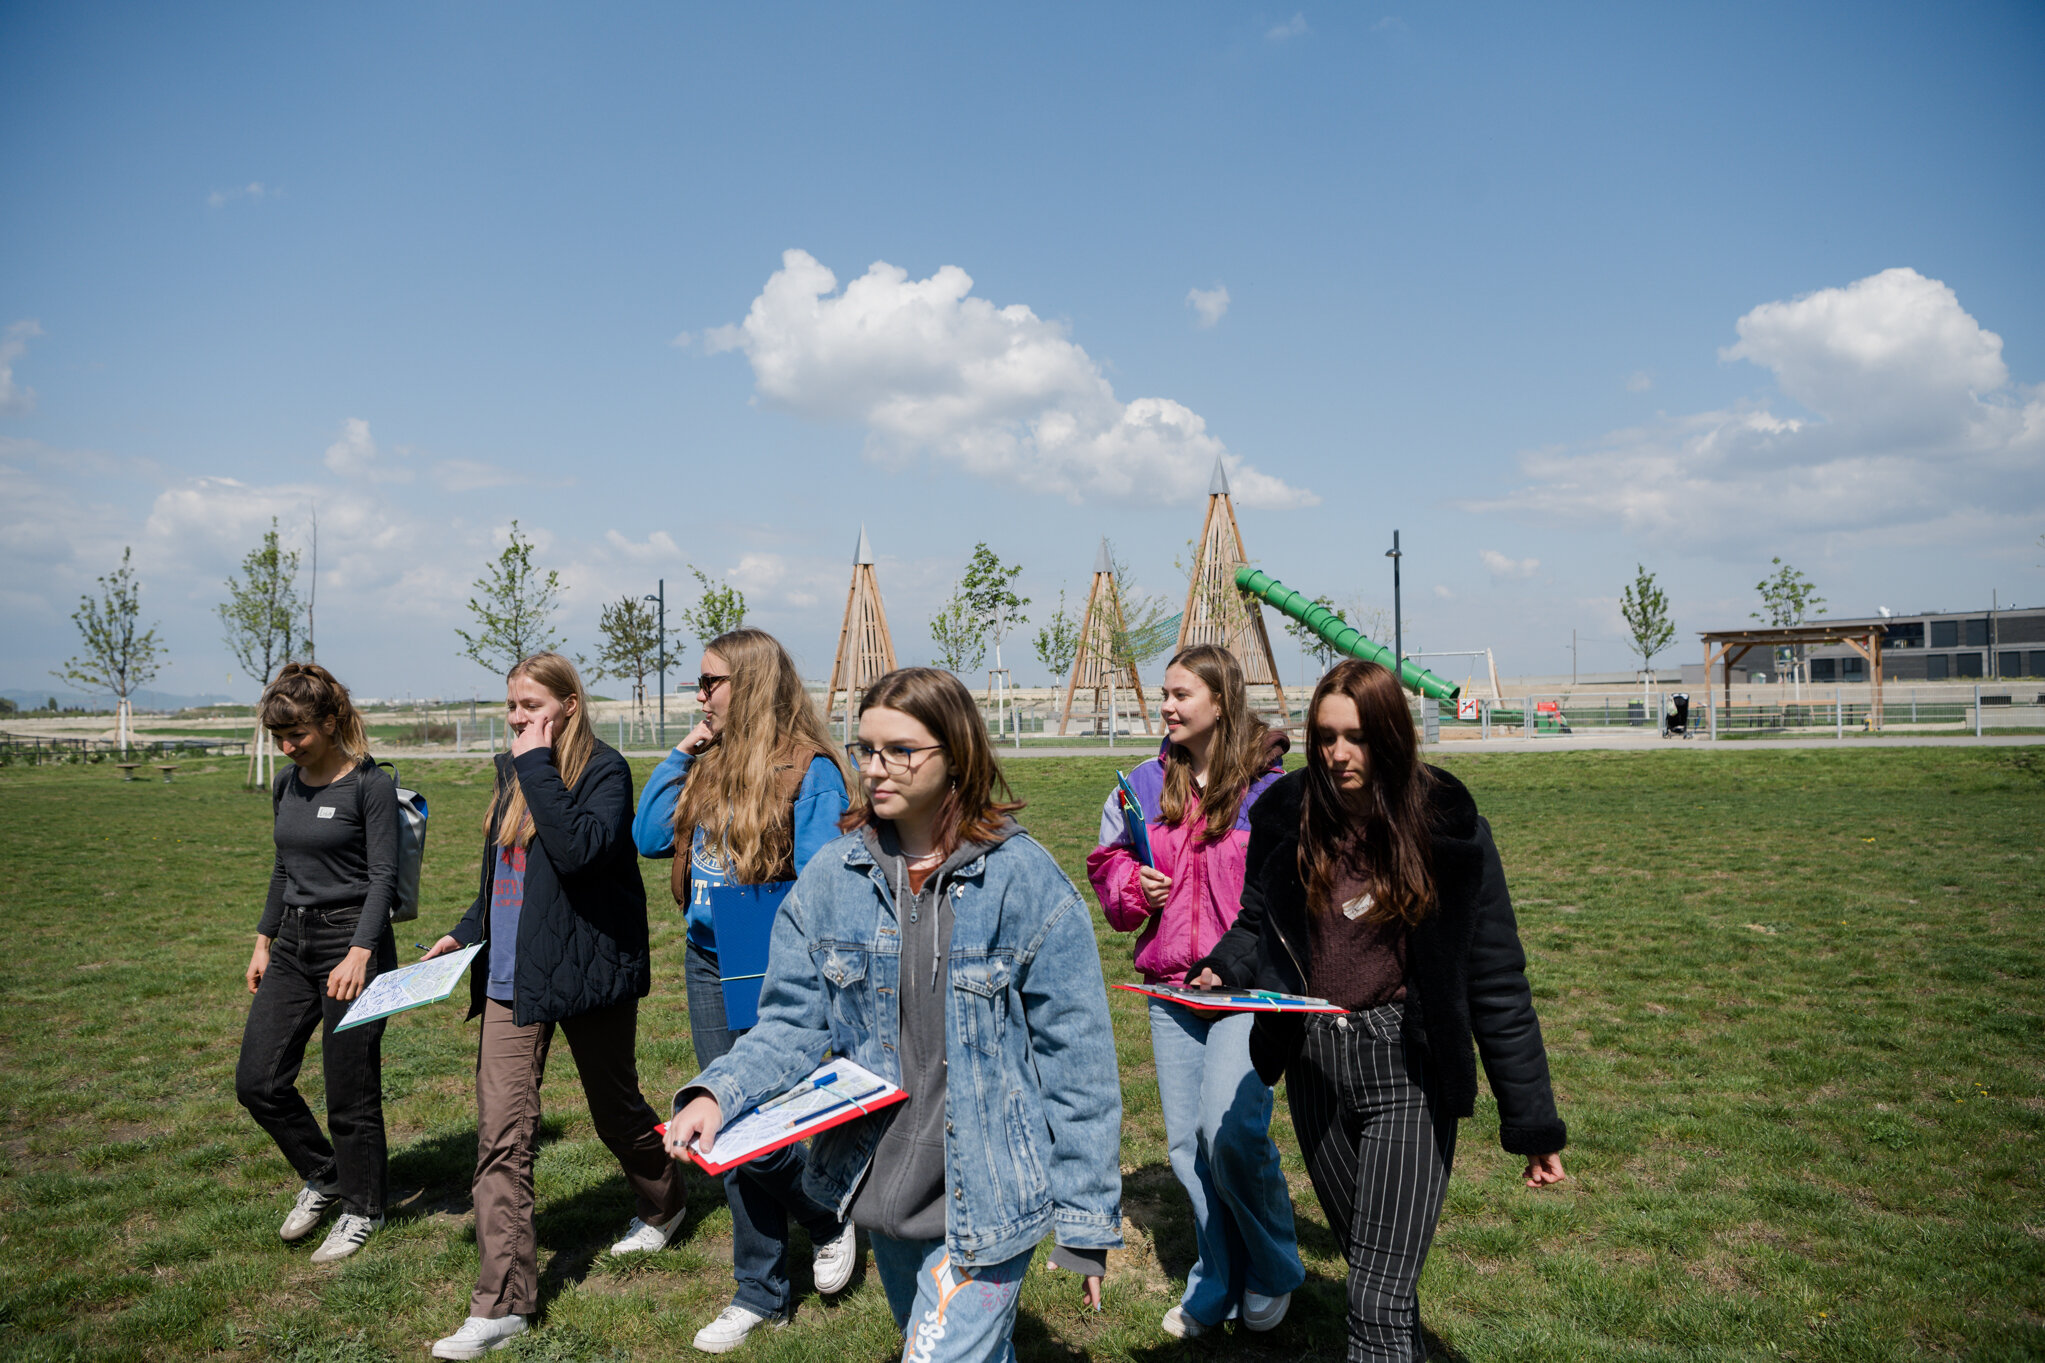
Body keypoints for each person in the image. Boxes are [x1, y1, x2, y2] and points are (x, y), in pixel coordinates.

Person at [665, 667, 1124, 1363]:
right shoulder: (831, 878)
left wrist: (1086, 1218)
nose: (875, 768)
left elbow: (1078, 1060)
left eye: (900, 750)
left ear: (957, 752)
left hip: (993, 1190)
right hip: (881, 1185)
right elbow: (789, 1022)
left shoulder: (1023, 881)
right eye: (866, 749)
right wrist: (714, 1092)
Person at [1189, 659, 1568, 1363]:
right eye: (1325, 736)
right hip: (1312, 1067)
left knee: (1372, 1301)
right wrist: (1222, 965)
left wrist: (1531, 1119)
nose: (1337, 754)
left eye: (1356, 737)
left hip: (1405, 1069)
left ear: (1390, 737)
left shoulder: (1446, 828)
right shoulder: (1286, 815)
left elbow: (1496, 980)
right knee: (1374, 1272)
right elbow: (1255, 924)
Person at [421, 652, 685, 1361]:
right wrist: (465, 930)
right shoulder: (514, 770)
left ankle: (665, 1200)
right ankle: (503, 1302)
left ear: (568, 704)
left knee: (615, 1108)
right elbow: (508, 874)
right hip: (511, 976)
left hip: (584, 969)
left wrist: (534, 764)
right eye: (511, 706)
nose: (516, 719)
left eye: (530, 705)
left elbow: (577, 853)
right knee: (501, 1134)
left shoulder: (604, 769)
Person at [631, 627, 856, 1353]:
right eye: (699, 682)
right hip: (708, 955)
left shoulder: (809, 767)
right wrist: (682, 750)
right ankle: (771, 1275)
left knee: (759, 1126)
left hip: (770, 963)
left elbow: (825, 880)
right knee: (718, 1124)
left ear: (752, 684)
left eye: (711, 682)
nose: (699, 693)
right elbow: (647, 835)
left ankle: (815, 1218)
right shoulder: (709, 756)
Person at [1084, 644, 1304, 1338]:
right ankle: (1215, 1276)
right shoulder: (1140, 786)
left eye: (1182, 694)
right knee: (1186, 1148)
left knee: (1230, 1129)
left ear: (1221, 699)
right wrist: (1130, 885)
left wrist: (1251, 962)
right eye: (1165, 694)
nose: (1168, 706)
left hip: (1250, 988)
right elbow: (1108, 865)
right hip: (1172, 986)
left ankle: (1273, 1267)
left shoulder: (1272, 791)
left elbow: (1292, 892)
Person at [236, 662, 399, 1266]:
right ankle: (326, 1173)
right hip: (291, 946)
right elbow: (284, 868)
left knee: (349, 1090)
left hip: (352, 944)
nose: (287, 746)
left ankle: (363, 1208)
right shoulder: (287, 783)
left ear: (330, 723)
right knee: (258, 1081)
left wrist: (360, 952)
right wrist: (262, 940)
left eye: (297, 734)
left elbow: (383, 879)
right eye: (278, 736)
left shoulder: (370, 786)